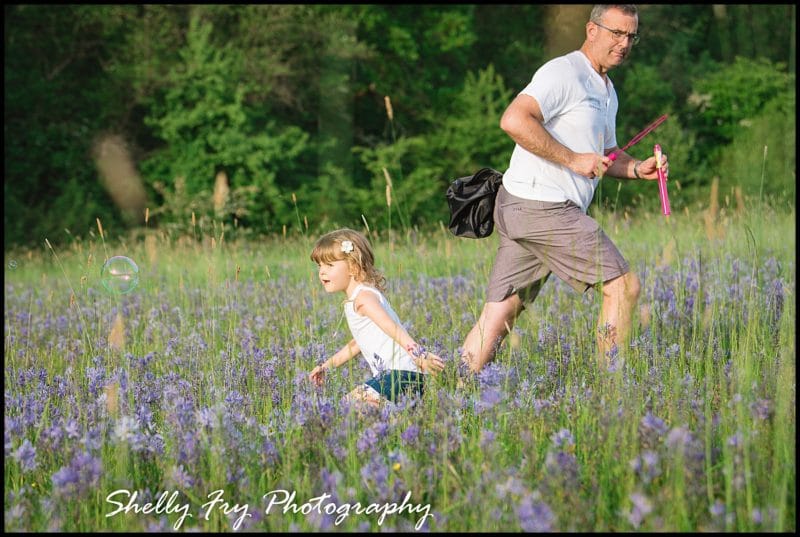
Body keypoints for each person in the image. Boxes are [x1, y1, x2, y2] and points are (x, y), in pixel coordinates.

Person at [461, 4, 668, 372]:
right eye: (616, 33)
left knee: (500, 312)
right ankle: (612, 390)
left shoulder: (607, 89)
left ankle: (455, 392)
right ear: (591, 30)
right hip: (544, 207)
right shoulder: (564, 72)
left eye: (631, 36)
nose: (624, 43)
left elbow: (605, 153)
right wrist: (573, 160)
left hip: (524, 207)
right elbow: (512, 119)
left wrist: (637, 168)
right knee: (623, 286)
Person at [309, 228, 445, 407]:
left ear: (353, 266)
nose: (322, 272)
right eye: (320, 266)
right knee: (355, 411)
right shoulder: (358, 298)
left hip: (399, 374)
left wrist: (419, 354)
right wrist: (327, 366)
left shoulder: (363, 298)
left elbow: (391, 327)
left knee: (348, 409)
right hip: (403, 376)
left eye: (329, 265)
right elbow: (357, 343)